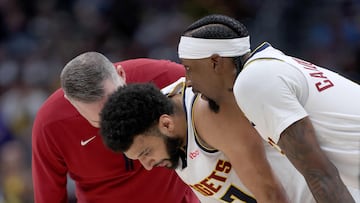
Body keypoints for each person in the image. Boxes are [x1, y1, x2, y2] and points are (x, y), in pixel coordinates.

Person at [177, 14, 360, 202]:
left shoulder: (253, 83)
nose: (188, 82)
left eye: (189, 69)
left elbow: (320, 175)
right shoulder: (267, 67)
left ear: (215, 62)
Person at [100, 78, 316, 203]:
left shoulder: (208, 115)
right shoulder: (161, 121)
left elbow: (269, 192)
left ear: (166, 124)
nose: (147, 167)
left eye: (146, 153)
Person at [31, 52, 199, 203]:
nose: (116, 120)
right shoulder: (50, 124)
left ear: (121, 74)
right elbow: (48, 196)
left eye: (117, 101)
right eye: (101, 122)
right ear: (70, 102)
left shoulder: (165, 76)